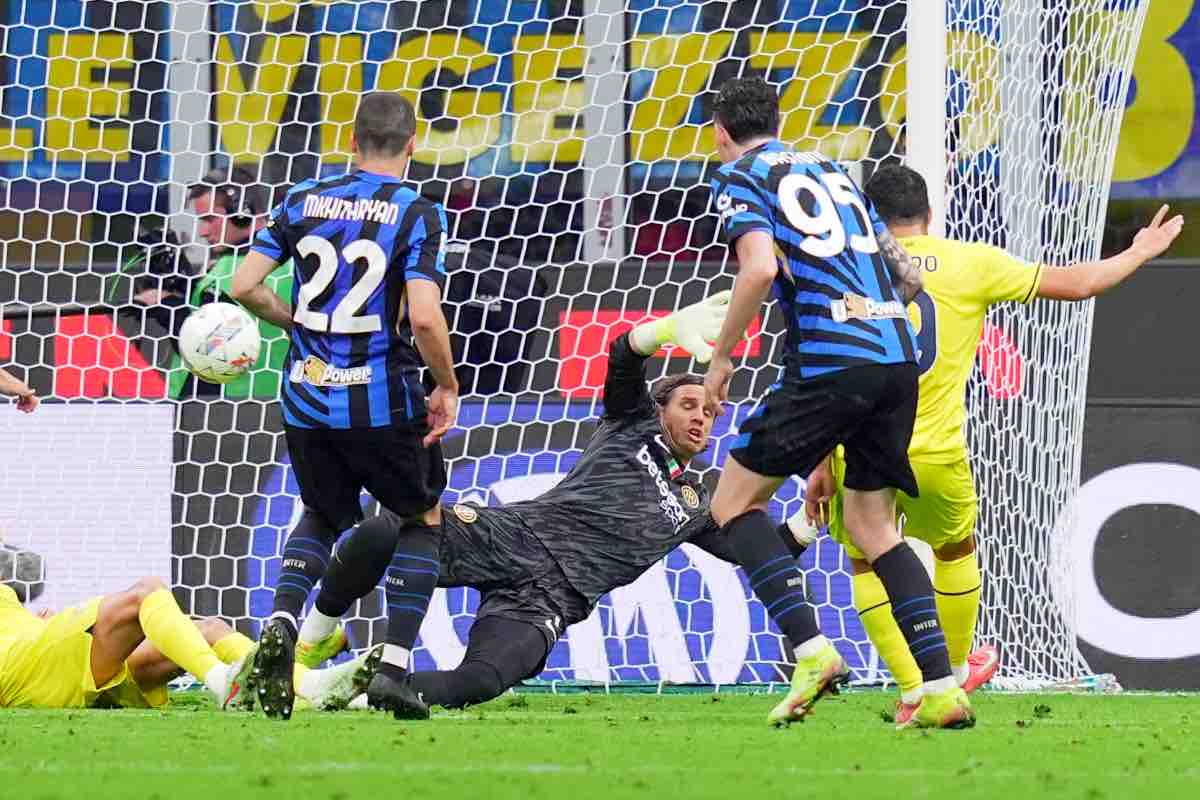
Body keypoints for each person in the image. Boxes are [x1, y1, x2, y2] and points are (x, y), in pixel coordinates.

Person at [293, 294, 821, 717]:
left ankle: (346, 695)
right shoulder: (631, 423)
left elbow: (758, 551)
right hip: (512, 534)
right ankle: (310, 644)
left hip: (553, 600)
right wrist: (662, 330)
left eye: (709, 412)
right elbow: (622, 355)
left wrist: (809, 518)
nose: (701, 417)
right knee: (387, 530)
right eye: (689, 404)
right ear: (660, 409)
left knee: (482, 680)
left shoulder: (698, 504)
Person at [808, 164, 1186, 725]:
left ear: (868, 217)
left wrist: (820, 461)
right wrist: (1138, 251)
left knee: (866, 559)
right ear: (929, 214)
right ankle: (955, 673)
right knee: (954, 549)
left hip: (857, 449)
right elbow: (1079, 284)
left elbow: (822, 371)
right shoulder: (970, 262)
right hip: (935, 451)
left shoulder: (845, 268)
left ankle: (913, 690)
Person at [699, 77, 969, 729]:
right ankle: (942, 689)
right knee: (875, 529)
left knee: (732, 504)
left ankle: (813, 651)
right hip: (896, 359)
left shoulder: (741, 177)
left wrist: (723, 356)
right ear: (778, 119)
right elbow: (907, 275)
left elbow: (759, 269)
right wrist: (869, 318)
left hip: (830, 361)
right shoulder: (834, 172)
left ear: (720, 131)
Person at [231, 92, 458, 721]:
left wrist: (296, 323)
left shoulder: (302, 198)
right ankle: (393, 670)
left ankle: (281, 623)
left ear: (352, 142)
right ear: (412, 144)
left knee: (323, 513)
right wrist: (446, 384)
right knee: (421, 518)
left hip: (307, 393)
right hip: (381, 398)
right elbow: (424, 317)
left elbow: (244, 285)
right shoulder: (416, 211)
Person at [0, 577, 370, 711]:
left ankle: (309, 686)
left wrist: (37, 622)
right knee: (145, 593)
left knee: (209, 629)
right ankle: (224, 684)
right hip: (25, 670)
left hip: (48, 653)